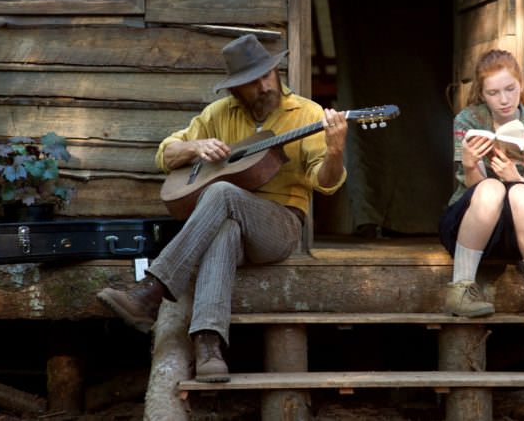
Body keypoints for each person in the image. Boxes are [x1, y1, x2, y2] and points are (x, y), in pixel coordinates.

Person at [96, 34, 347, 382]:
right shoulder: (218, 114)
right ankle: (208, 345)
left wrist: (335, 152)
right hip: (228, 223)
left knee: (222, 192)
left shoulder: (308, 114)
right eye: (251, 82)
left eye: (267, 75)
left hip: (279, 226)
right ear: (234, 89)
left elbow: (326, 182)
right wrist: (195, 147)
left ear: (276, 71)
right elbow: (165, 154)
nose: (263, 87)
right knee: (223, 228)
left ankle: (152, 291)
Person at [438, 49, 524, 319]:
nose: (504, 100)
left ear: (521, 85)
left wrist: (513, 177)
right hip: (471, 225)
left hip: (519, 228)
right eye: (493, 93)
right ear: (482, 94)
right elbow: (474, 190)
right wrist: (471, 164)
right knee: (491, 188)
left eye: (510, 89)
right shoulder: (468, 120)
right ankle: (460, 288)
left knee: (520, 191)